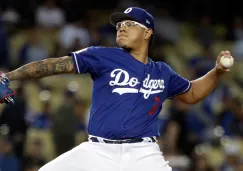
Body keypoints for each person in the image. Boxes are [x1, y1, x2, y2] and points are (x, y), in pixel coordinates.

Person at [0, 7, 234, 171]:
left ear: (147, 32)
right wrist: (8, 77)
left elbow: (192, 93)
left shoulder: (163, 71)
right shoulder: (103, 56)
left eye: (130, 24)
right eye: (119, 25)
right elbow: (51, 66)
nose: (121, 28)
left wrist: (217, 72)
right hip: (97, 152)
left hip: (144, 154)